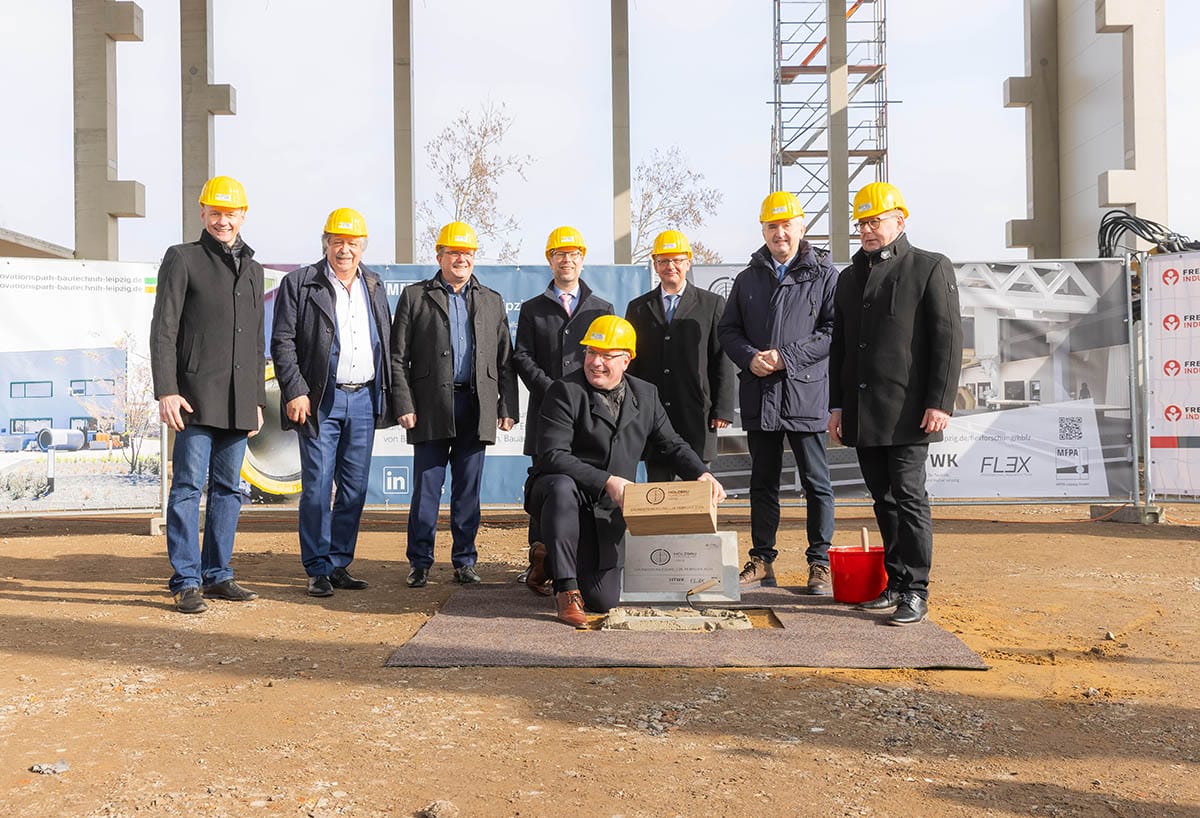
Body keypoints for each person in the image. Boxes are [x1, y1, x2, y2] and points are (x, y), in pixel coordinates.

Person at [524, 316, 727, 626]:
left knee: (603, 599)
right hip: (561, 494)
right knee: (561, 486)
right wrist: (607, 481)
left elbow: (671, 444)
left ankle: (547, 559)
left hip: (607, 510)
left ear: (627, 360)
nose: (595, 363)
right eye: (591, 353)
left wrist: (702, 474)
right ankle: (566, 591)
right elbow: (553, 456)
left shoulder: (646, 395)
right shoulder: (563, 391)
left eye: (607, 356)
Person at [828, 182, 963, 626]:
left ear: (899, 221)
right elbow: (841, 348)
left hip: (909, 412)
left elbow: (947, 338)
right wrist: (837, 406)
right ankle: (895, 583)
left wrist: (940, 401)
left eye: (875, 221)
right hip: (864, 413)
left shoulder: (929, 267)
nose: (868, 230)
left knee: (908, 497)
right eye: (862, 223)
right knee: (882, 499)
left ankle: (916, 590)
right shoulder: (849, 278)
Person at [150, 175, 264, 614]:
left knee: (228, 490)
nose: (222, 221)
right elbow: (164, 330)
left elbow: (256, 340)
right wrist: (167, 390)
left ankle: (218, 575)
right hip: (194, 397)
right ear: (202, 213)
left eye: (229, 214)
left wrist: (255, 400)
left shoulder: (253, 269)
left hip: (238, 402)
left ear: (242, 216)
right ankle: (186, 579)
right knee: (185, 488)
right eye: (214, 213)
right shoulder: (183, 259)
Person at [717, 190, 837, 595]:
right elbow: (728, 331)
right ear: (763, 231)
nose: (779, 233)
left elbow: (832, 333)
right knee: (762, 482)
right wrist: (750, 358)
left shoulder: (823, 274)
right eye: (772, 226)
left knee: (816, 482)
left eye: (786, 225)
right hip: (761, 395)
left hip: (804, 395)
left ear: (801, 227)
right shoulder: (748, 279)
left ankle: (819, 562)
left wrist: (786, 357)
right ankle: (762, 560)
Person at [270, 208, 394, 597]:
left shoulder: (373, 284)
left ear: (363, 247)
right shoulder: (301, 283)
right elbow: (283, 341)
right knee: (318, 487)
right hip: (320, 399)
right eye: (338, 242)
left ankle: (340, 562)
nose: (345, 250)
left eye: (352, 243)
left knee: (355, 489)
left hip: (364, 398)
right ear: (326, 243)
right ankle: (317, 567)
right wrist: (295, 389)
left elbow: (385, 343)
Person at [390, 221, 518, 588]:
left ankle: (464, 560)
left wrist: (506, 406)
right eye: (454, 252)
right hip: (429, 407)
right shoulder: (416, 297)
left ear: (474, 257)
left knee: (468, 492)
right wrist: (404, 402)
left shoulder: (492, 301)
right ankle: (420, 562)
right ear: (439, 256)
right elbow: (398, 358)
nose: (461, 259)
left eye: (467, 253)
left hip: (476, 408)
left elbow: (505, 360)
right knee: (427, 490)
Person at [513, 226, 613, 594]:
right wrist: (553, 390)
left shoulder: (602, 309)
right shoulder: (532, 309)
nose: (566, 260)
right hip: (546, 414)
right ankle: (538, 562)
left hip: (590, 416)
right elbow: (521, 356)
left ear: (582, 259)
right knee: (545, 484)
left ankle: (582, 559)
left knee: (584, 484)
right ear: (549, 260)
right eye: (559, 254)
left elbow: (607, 361)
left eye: (572, 254)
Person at [625, 229, 734, 480]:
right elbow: (631, 363)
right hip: (654, 415)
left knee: (699, 491)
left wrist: (722, 409)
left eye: (676, 260)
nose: (669, 266)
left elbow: (721, 359)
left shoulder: (712, 304)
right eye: (663, 261)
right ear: (655, 265)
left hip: (696, 414)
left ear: (688, 262)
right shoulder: (639, 307)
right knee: (659, 494)